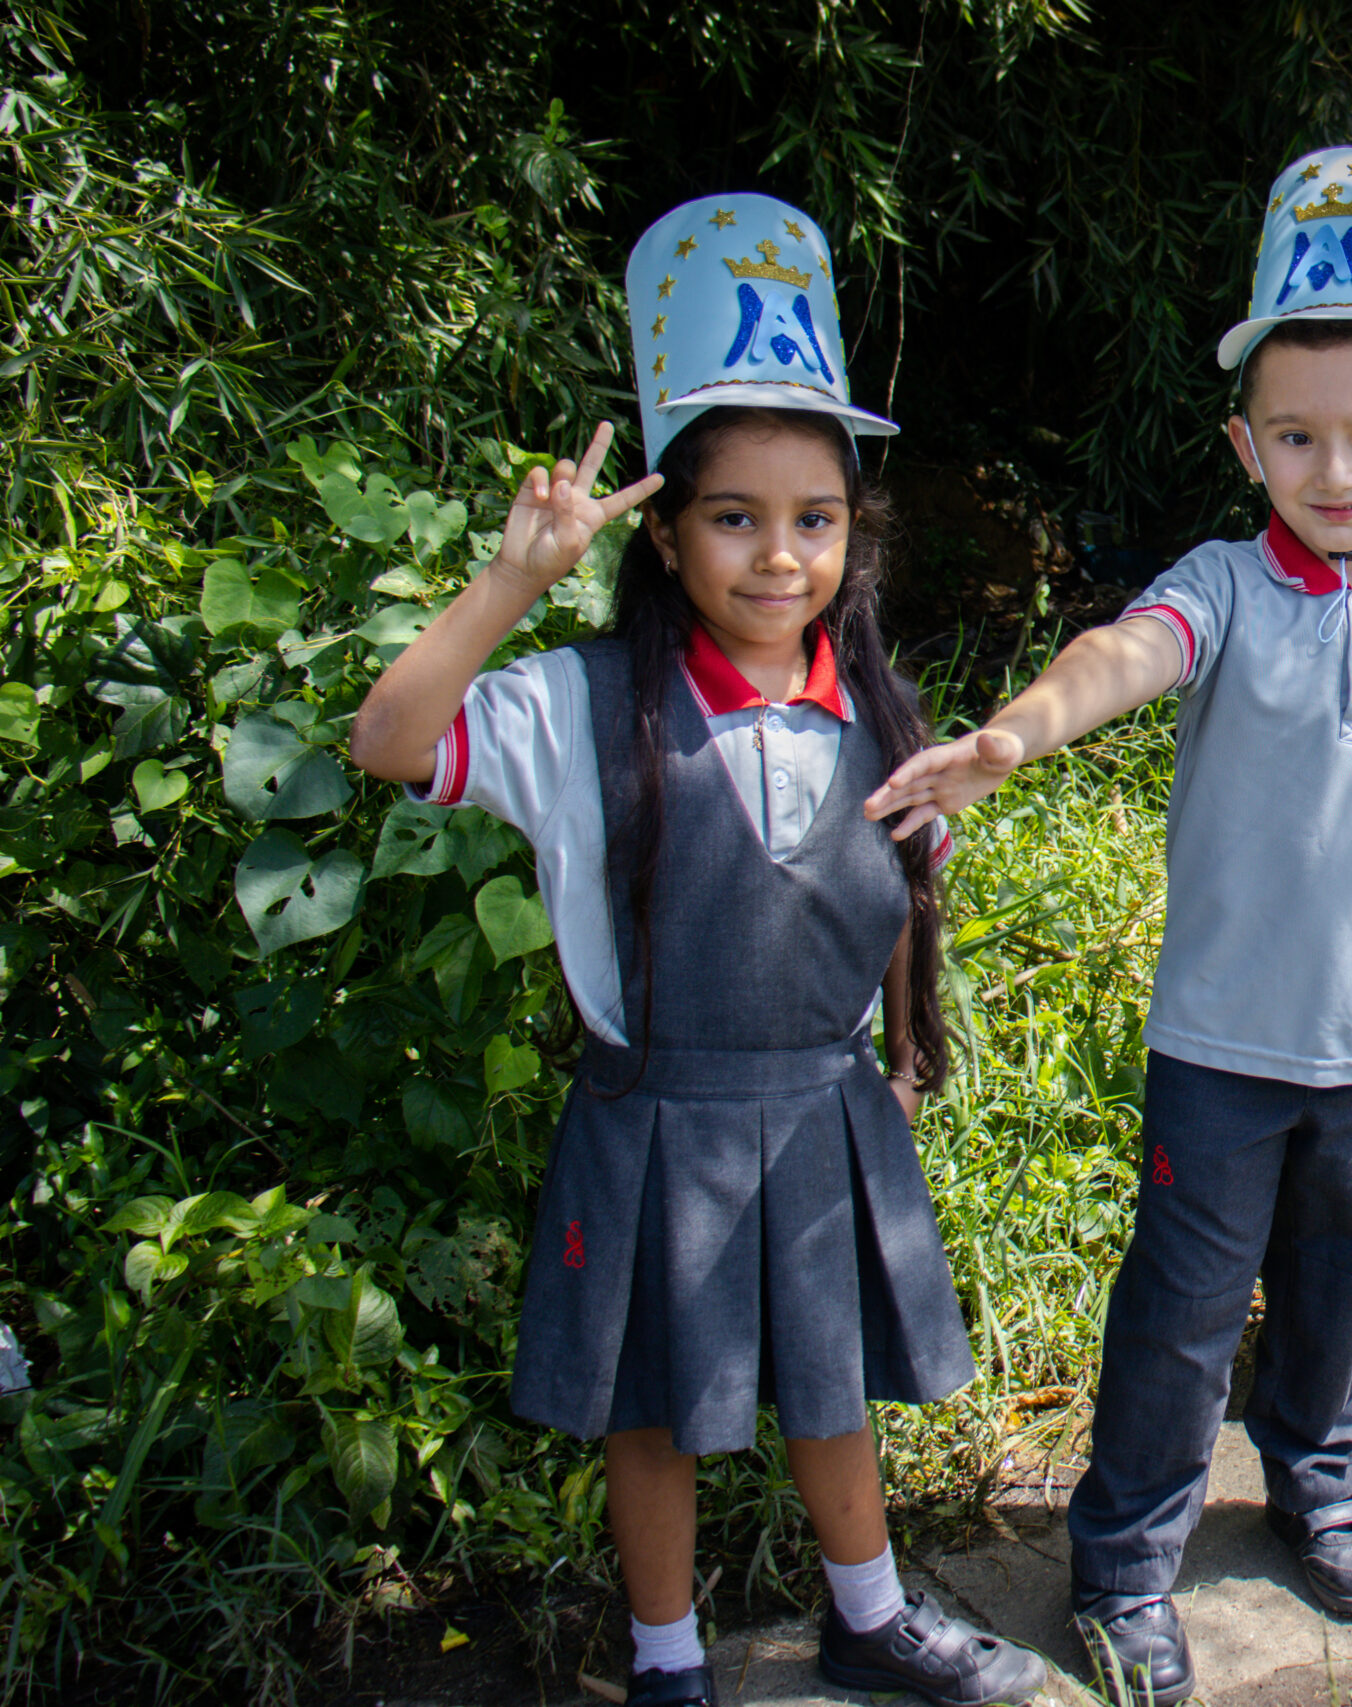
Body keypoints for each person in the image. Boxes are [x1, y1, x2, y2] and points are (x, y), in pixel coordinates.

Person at [347, 196, 1046, 1707]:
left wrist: (900, 1076)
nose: (779, 555)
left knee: (830, 1372)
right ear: (663, 532)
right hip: (655, 1110)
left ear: (855, 532)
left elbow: (901, 919)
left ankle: (867, 1610)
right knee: (651, 1407)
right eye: (735, 517)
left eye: (817, 519)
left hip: (826, 1103)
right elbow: (388, 738)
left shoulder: (886, 712)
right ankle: (665, 1661)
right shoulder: (575, 703)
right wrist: (514, 578)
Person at [862, 147, 1352, 1705]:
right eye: (1296, 437)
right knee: (1178, 1308)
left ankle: (1317, 1478)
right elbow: (1122, 652)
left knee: (1335, 1288)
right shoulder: (1225, 585)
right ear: (1247, 445)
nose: (1335, 469)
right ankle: (1124, 1555)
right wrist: (1020, 730)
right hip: (1224, 1048)